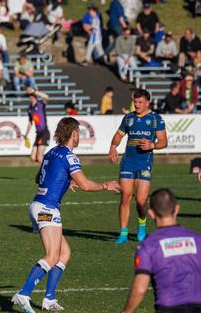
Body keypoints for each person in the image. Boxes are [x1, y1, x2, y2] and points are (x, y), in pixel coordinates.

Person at [12, 117, 120, 313]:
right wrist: (106, 185)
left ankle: (49, 299)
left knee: (64, 253)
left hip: (38, 205)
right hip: (47, 208)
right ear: (74, 134)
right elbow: (86, 184)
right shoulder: (70, 156)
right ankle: (23, 294)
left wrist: (65, 180)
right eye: (78, 133)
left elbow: (39, 178)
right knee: (52, 256)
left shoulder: (51, 152)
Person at [122, 188, 201, 313]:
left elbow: (141, 288)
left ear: (151, 214)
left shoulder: (148, 246)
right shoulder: (197, 240)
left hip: (168, 307)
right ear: (177, 209)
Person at [108, 89, 168, 244]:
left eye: (140, 102)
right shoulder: (128, 118)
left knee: (141, 201)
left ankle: (142, 224)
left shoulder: (156, 119)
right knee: (125, 196)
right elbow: (119, 135)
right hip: (128, 161)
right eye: (135, 102)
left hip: (144, 163)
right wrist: (113, 146)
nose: (137, 105)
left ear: (148, 102)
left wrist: (152, 145)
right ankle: (123, 232)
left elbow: (163, 141)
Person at [24, 88, 50, 162]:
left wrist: (34, 91)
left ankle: (49, 171)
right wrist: (26, 134)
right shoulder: (29, 108)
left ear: (36, 96)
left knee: (39, 157)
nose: (31, 97)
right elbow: (30, 122)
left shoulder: (41, 103)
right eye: (30, 96)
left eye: (33, 95)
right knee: (32, 157)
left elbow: (46, 97)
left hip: (44, 132)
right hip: (38, 133)